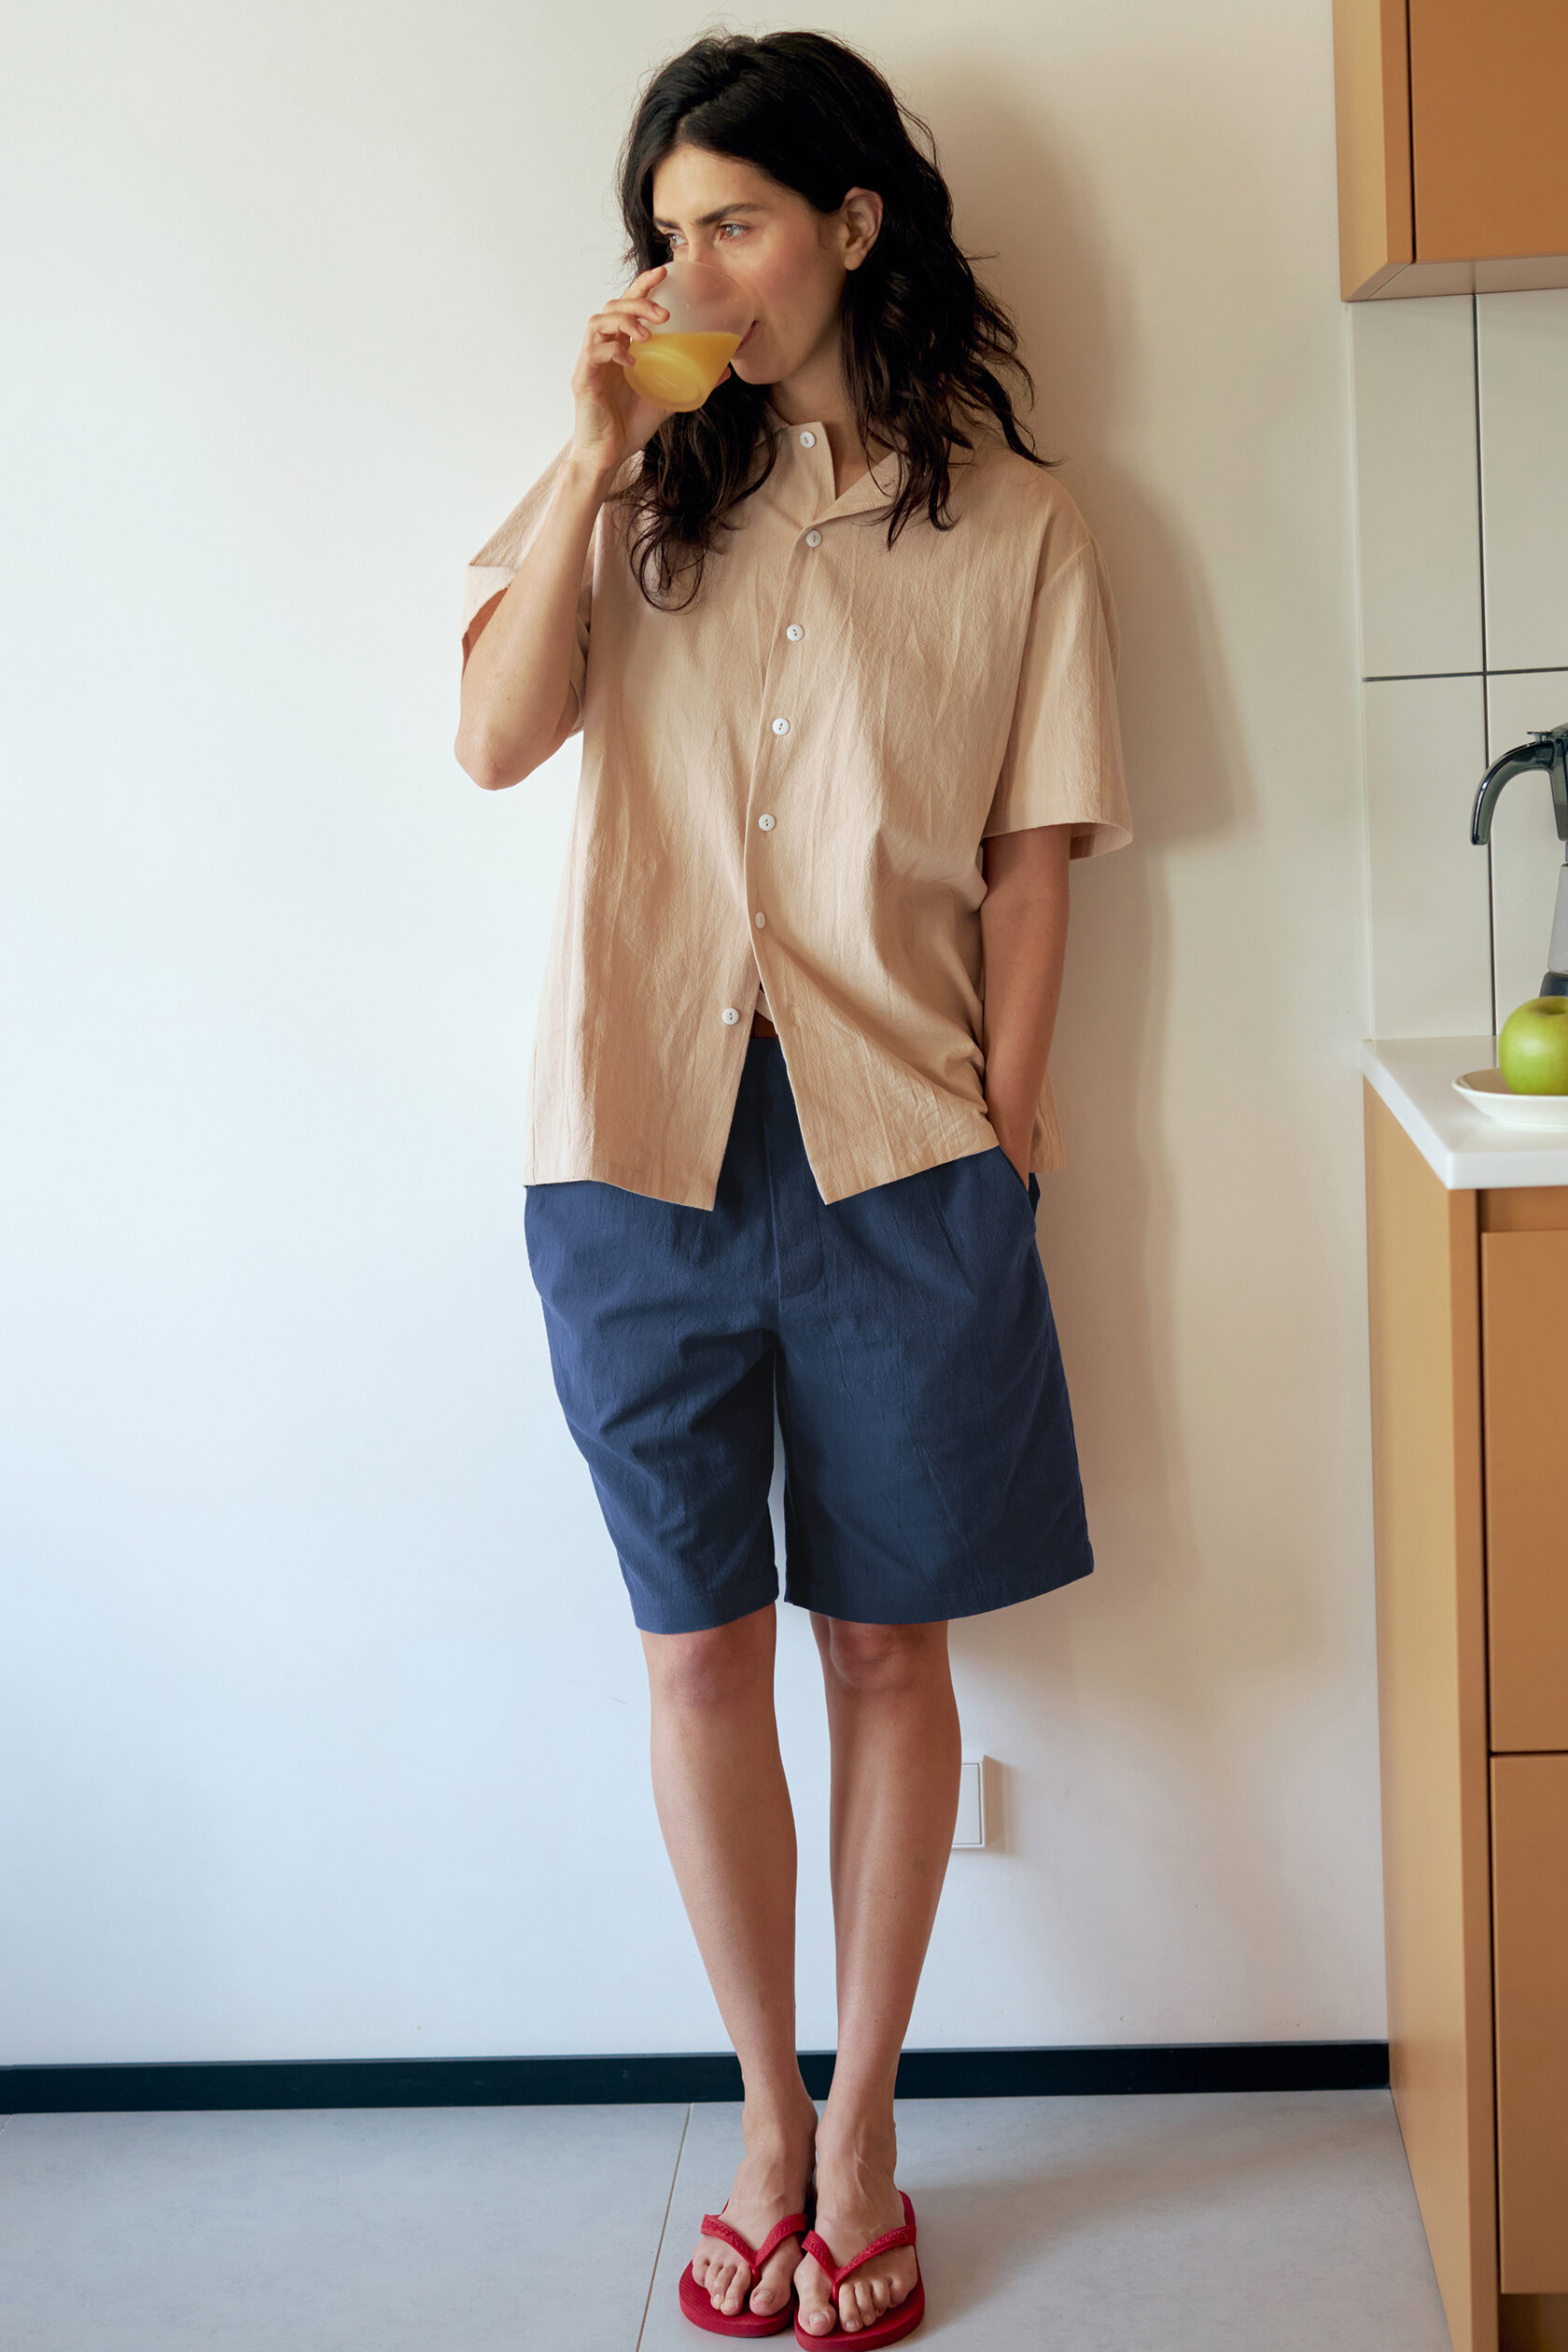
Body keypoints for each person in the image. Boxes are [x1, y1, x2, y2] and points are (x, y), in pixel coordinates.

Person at [454, 29, 1130, 2344]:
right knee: (699, 1649)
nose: (694, 272)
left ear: (851, 225)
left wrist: (1009, 1131)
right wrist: (589, 456)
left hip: (901, 1158)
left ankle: (863, 2132)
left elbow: (1034, 864)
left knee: (884, 1646)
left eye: (734, 222)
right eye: (667, 234)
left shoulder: (1020, 526)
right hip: (631, 1154)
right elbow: (492, 741)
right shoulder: (633, 495)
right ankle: (761, 2115)